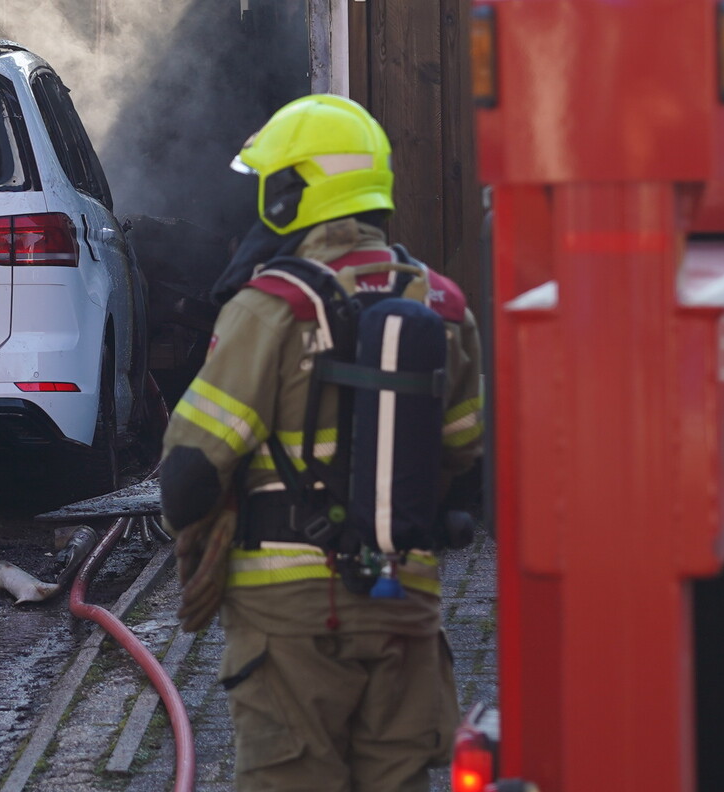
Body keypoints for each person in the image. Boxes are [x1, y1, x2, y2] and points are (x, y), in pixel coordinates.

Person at [158, 95, 484, 792]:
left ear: (288, 192)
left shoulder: (270, 307)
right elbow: (466, 463)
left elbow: (189, 474)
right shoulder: (445, 308)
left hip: (291, 622)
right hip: (408, 610)